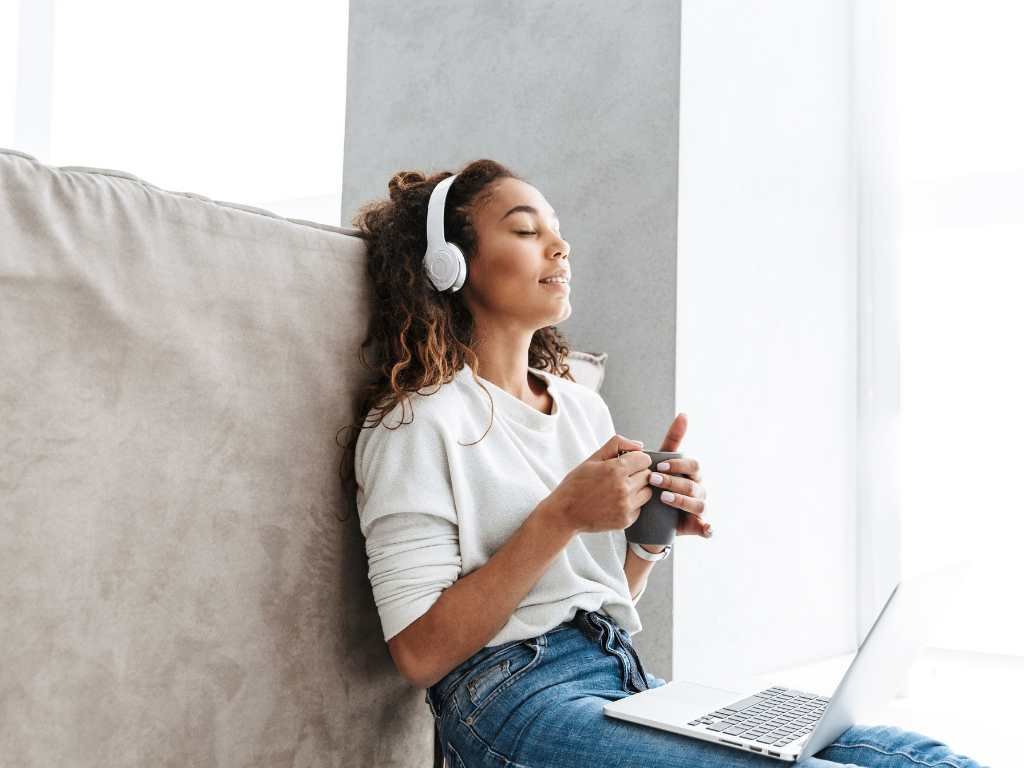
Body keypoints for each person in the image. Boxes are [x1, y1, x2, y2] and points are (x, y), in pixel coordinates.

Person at [337, 160, 987, 768]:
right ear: (453, 264)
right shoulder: (416, 421)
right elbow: (419, 654)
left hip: (621, 672)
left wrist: (650, 536)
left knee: (914, 755)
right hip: (505, 700)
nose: (559, 248)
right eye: (527, 231)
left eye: (557, 231)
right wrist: (561, 515)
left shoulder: (579, 409)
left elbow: (595, 593)